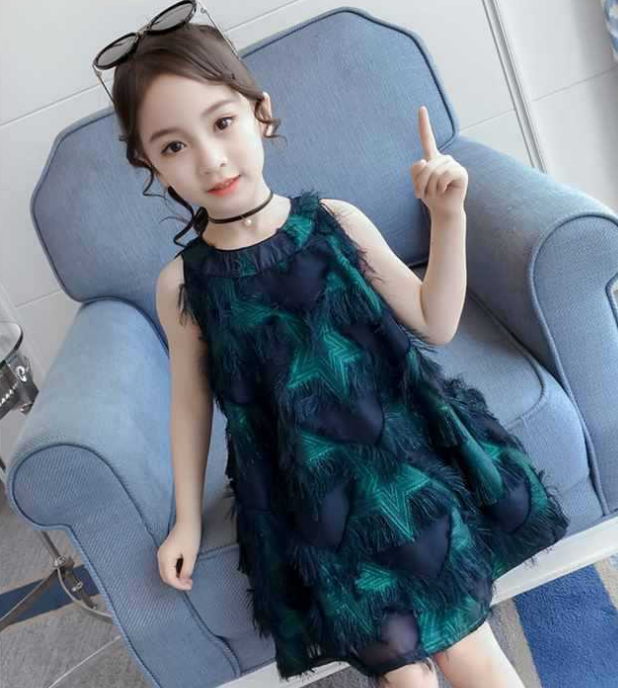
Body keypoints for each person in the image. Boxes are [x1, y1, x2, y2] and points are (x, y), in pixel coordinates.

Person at [94, 5, 570, 688]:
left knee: (472, 655)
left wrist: (447, 216)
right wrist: (187, 523)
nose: (209, 158)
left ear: (260, 113)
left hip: (406, 467)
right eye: (173, 147)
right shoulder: (184, 284)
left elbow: (435, 322)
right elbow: (191, 407)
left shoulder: (335, 223)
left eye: (221, 123)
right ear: (150, 164)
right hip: (314, 508)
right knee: (403, 674)